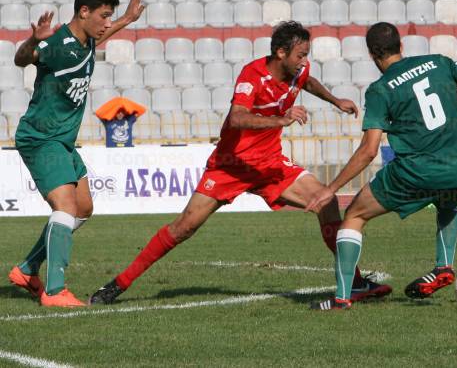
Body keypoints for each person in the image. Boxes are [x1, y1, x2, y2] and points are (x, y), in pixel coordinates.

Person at [89, 21, 393, 305]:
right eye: (300, 55)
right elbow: (237, 117)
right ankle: (120, 283)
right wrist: (282, 118)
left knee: (325, 201)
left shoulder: (299, 70)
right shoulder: (252, 76)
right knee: (183, 228)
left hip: (270, 164)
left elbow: (308, 81)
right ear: (280, 52)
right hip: (230, 165)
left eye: (306, 55)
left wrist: (335, 100)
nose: (304, 61)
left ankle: (354, 283)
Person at [308, 22, 457, 310]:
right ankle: (443, 267)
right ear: (401, 46)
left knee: (354, 215)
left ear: (372, 54)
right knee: (446, 205)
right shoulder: (439, 62)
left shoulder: (380, 90)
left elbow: (368, 151)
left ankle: (342, 298)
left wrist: (331, 188)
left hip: (417, 171)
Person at [8, 0, 145, 307]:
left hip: (63, 141)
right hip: (42, 137)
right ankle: (55, 292)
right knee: (66, 208)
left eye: (109, 16)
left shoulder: (88, 40)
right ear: (83, 12)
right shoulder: (55, 43)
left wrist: (126, 18)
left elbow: (102, 37)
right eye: (104, 15)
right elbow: (21, 59)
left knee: (82, 208)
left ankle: (27, 270)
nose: (107, 22)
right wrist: (33, 41)